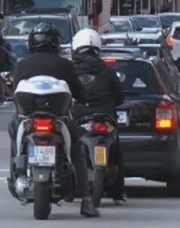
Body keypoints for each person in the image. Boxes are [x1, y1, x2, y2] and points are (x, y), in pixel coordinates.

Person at [9, 22, 96, 218]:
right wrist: (83, 100)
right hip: (59, 119)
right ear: (56, 43)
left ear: (32, 42)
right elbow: (79, 92)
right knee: (77, 149)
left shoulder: (23, 64)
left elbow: (14, 91)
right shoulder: (65, 65)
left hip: (29, 120)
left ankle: (16, 168)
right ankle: (87, 200)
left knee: (12, 130)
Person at [70, 29, 127, 205]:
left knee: (67, 148)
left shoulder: (71, 70)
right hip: (105, 116)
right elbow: (120, 97)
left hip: (78, 116)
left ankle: (65, 186)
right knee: (116, 152)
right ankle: (118, 192)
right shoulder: (107, 70)